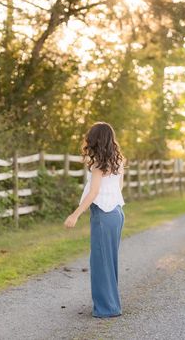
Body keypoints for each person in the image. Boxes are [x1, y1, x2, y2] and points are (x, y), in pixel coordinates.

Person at [64, 121, 126, 318]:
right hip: (116, 213)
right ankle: (111, 305)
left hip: (103, 216)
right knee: (109, 261)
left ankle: (107, 308)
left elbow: (93, 193)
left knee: (101, 262)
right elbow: (119, 188)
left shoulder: (99, 165)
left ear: (96, 139)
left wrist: (75, 215)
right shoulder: (119, 160)